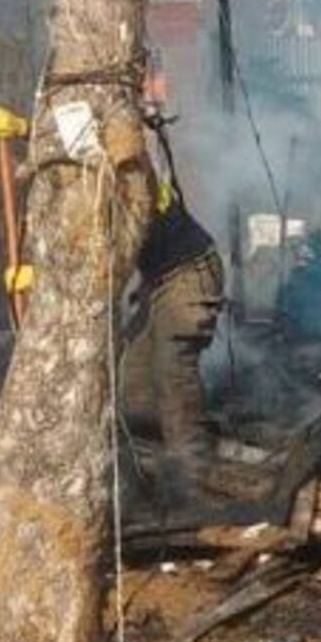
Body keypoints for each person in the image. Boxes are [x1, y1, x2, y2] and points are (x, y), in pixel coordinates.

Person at [122, 180, 225, 471]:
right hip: (157, 276)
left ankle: (192, 470)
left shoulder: (124, 178)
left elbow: (111, 259)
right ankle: (149, 463)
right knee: (133, 376)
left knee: (173, 367)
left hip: (191, 271)